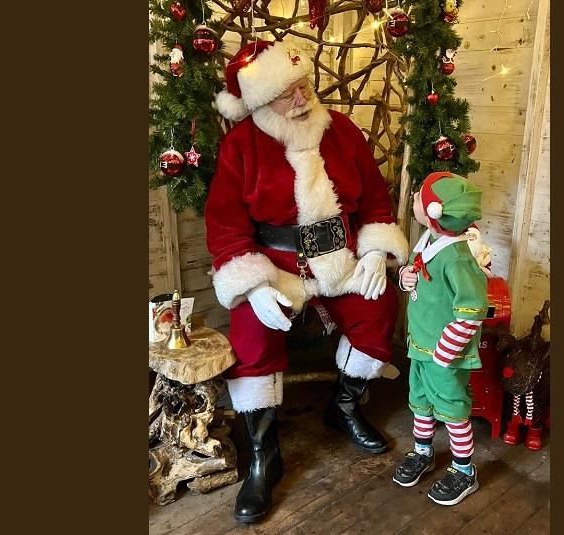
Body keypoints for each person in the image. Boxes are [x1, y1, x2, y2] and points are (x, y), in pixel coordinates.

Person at [204, 40, 409, 523]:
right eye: (286, 92)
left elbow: (376, 200)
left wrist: (377, 250)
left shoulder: (343, 131)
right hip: (274, 262)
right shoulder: (240, 146)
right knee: (251, 335)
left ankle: (344, 407)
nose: (300, 97)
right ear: (258, 101)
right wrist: (253, 285)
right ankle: (264, 455)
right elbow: (226, 227)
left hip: (342, 255)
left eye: (303, 86)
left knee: (377, 310)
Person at [391, 171, 488, 506]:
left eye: (420, 195)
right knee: (420, 400)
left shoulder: (458, 258)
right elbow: (421, 275)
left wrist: (447, 350)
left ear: (434, 212)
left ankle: (464, 470)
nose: (414, 196)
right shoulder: (431, 242)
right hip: (420, 346)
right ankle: (423, 452)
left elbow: (473, 308)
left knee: (452, 409)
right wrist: (407, 277)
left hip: (444, 354)